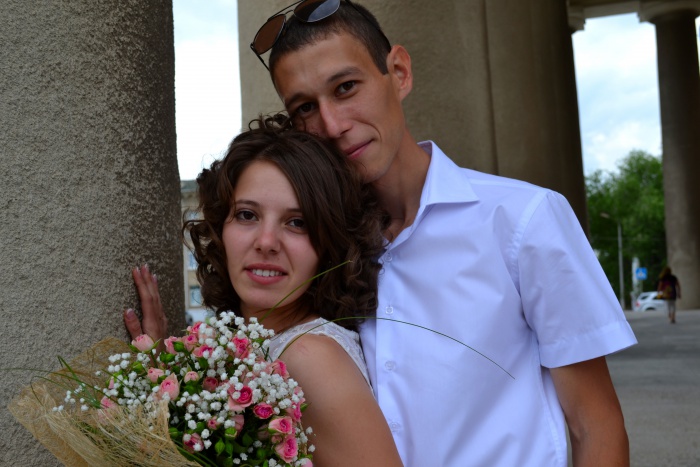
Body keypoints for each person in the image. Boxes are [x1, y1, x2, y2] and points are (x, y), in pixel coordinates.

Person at [127, 1, 637, 465]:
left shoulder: (523, 219)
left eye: (345, 88)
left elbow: (595, 426)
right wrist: (178, 370)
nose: (332, 124)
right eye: (304, 107)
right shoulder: (321, 248)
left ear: (399, 72)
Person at [129, 117, 403, 466]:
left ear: (328, 244)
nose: (266, 242)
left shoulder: (310, 358)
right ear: (221, 228)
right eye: (247, 215)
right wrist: (163, 376)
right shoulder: (253, 348)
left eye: (297, 223)